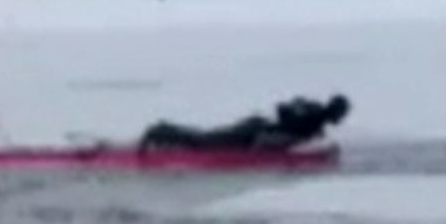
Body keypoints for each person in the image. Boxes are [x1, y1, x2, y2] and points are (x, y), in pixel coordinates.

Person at [139, 94, 350, 151]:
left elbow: (284, 108)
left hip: (256, 124)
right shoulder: (313, 122)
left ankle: (164, 130)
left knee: (207, 137)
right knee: (205, 143)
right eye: (343, 115)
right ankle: (161, 131)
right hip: (252, 134)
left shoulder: (313, 109)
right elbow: (274, 139)